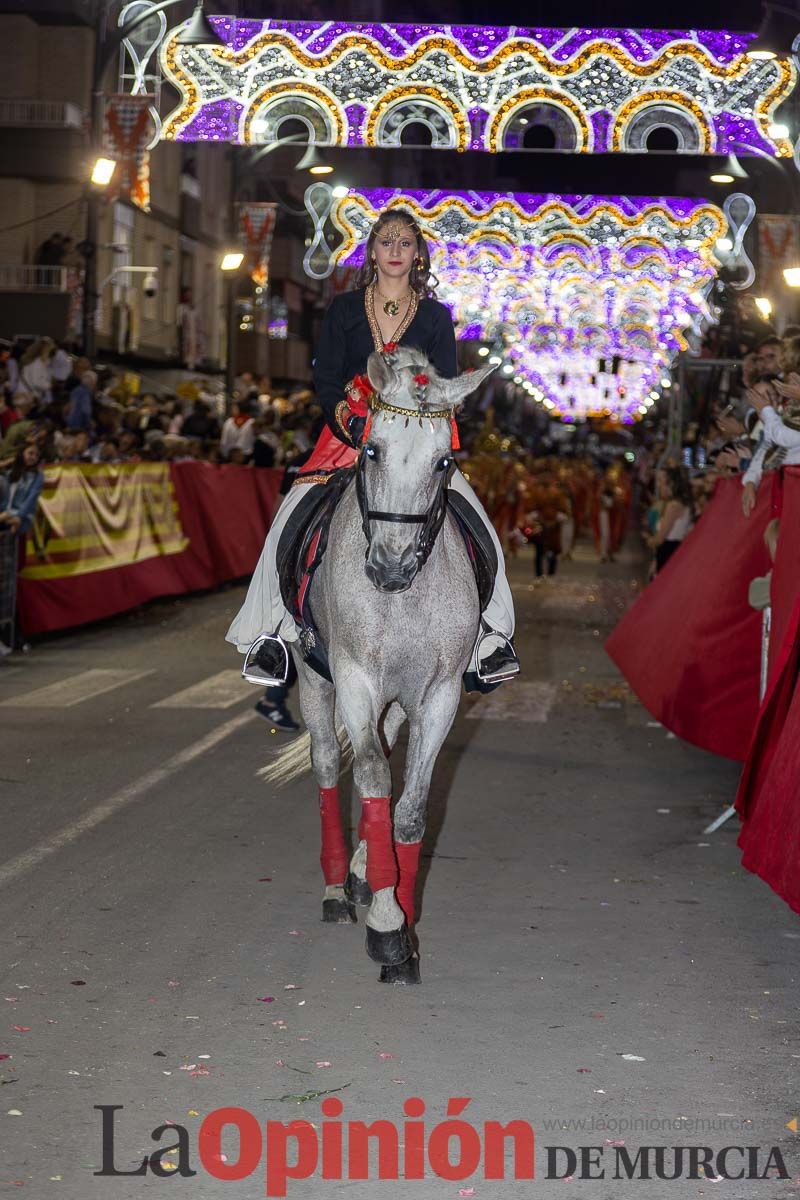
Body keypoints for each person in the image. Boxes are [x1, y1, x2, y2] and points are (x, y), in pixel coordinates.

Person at [226, 206, 519, 689]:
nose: (396, 251)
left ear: (419, 253)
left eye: (406, 243)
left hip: (414, 441)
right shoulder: (343, 308)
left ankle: (490, 635)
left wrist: (425, 407)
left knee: (476, 519)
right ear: (373, 250)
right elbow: (324, 375)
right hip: (348, 436)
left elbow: (443, 381)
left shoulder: (435, 317)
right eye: (387, 241)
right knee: (289, 515)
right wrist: (345, 415)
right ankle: (271, 633)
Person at [651, 466, 693, 573]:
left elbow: (661, 537)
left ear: (671, 483)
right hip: (669, 550)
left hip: (668, 551)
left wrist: (651, 541)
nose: (658, 484)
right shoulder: (676, 503)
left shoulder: (674, 506)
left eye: (661, 480)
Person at [0, 442, 44, 536]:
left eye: (36, 455)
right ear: (22, 453)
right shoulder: (11, 472)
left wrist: (19, 516)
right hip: (5, 512)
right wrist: (8, 461)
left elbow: (31, 499)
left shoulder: (38, 475)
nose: (33, 457)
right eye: (30, 453)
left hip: (23, 516)